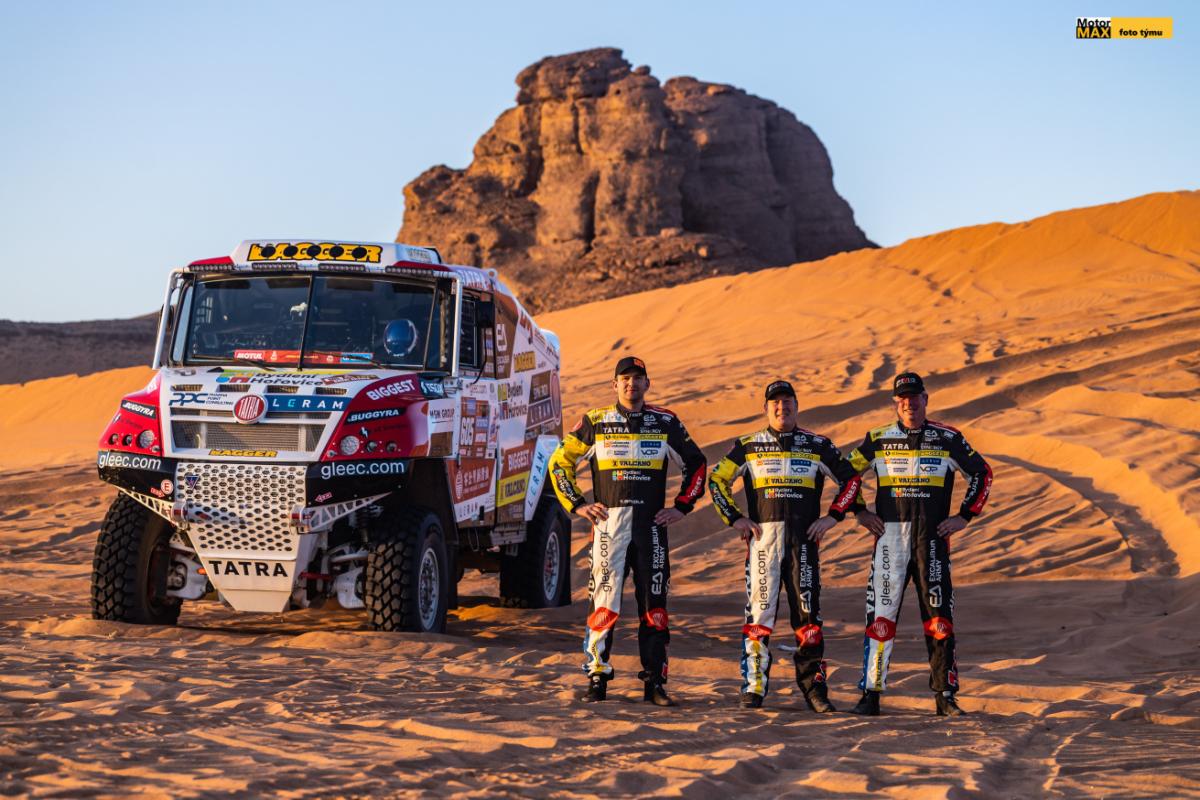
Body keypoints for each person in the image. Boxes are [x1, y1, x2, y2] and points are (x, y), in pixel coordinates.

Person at [550, 356, 707, 706]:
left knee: (654, 605)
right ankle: (597, 677)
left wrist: (682, 506)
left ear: (647, 384)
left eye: (637, 378)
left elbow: (696, 463)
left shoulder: (665, 422)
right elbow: (559, 462)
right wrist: (577, 504)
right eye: (624, 378)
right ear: (614, 384)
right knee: (603, 602)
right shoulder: (595, 421)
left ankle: (655, 683)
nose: (631, 384)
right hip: (610, 526)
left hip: (651, 526)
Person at [709, 380, 863, 711]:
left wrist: (833, 517)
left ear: (796, 405)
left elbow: (851, 479)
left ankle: (815, 691)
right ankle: (753, 688)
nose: (782, 407)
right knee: (759, 616)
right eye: (775, 403)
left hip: (803, 544)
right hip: (763, 544)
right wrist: (734, 518)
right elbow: (717, 479)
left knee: (809, 618)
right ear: (766, 409)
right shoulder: (748, 446)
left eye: (787, 401)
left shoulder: (818, 445)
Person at [847, 371, 993, 717]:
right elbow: (846, 474)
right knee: (881, 617)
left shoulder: (948, 438)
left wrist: (964, 516)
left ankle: (945, 695)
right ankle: (870, 695)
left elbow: (982, 473)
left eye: (915, 397)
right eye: (903, 398)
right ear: (895, 403)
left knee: (939, 619)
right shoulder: (878, 439)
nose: (909, 403)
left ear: (925, 399)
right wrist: (859, 512)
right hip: (889, 542)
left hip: (932, 540)